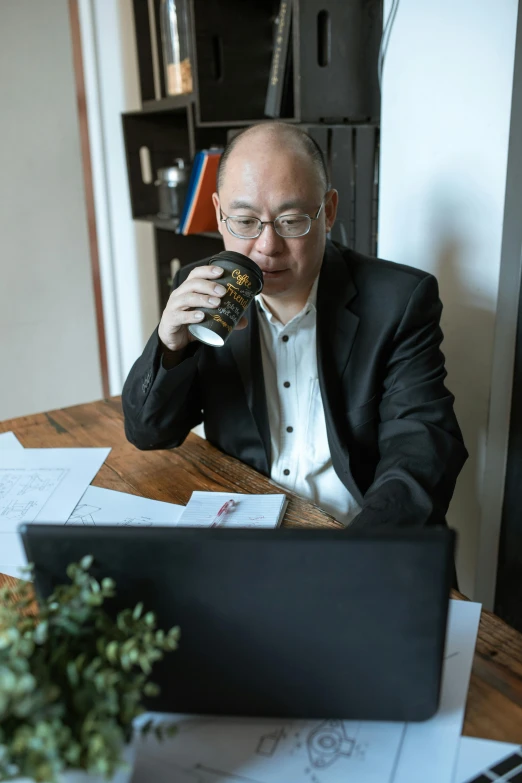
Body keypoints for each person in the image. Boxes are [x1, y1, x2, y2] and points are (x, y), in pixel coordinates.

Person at [122, 122, 467, 529]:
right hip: (245, 523)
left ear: (328, 211)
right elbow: (150, 434)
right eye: (246, 222)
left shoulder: (399, 301)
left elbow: (420, 449)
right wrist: (170, 344)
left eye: (291, 220)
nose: (267, 247)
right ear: (218, 213)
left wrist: (363, 555)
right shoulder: (206, 291)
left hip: (355, 528)